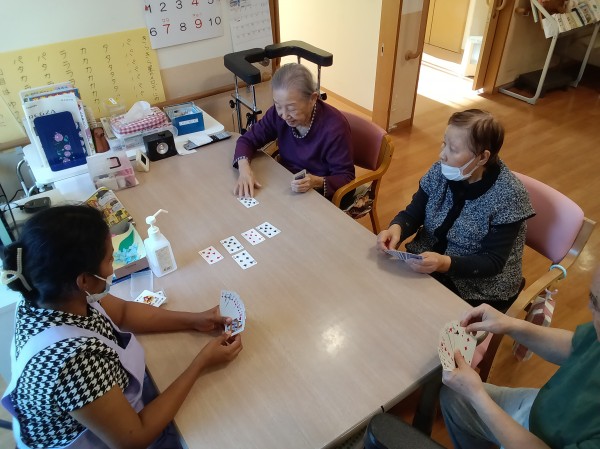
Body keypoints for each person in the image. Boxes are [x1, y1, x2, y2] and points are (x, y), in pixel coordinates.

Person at [0, 205, 243, 449]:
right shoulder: (74, 364)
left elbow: (124, 313)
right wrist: (200, 364)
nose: (113, 266)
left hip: (110, 402)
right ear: (84, 280)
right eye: (109, 259)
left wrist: (195, 319)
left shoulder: (51, 292)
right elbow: (134, 438)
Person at [376, 109, 534, 310]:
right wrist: (396, 228)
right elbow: (413, 213)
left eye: (453, 149)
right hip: (430, 264)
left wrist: (444, 263)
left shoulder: (509, 195)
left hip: (478, 288)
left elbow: (493, 262)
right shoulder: (442, 170)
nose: (442, 154)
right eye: (444, 143)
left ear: (482, 157)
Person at [439, 266, 600, 449]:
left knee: (464, 396)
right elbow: (576, 345)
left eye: (596, 302)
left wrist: (477, 396)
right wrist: (510, 325)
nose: (590, 307)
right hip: (539, 407)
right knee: (454, 397)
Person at [232, 62, 355, 203]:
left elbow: (346, 177)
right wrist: (244, 170)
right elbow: (247, 140)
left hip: (318, 195)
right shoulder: (277, 115)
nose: (284, 116)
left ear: (313, 99)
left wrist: (316, 181)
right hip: (286, 181)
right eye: (278, 105)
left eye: (291, 109)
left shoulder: (334, 128)